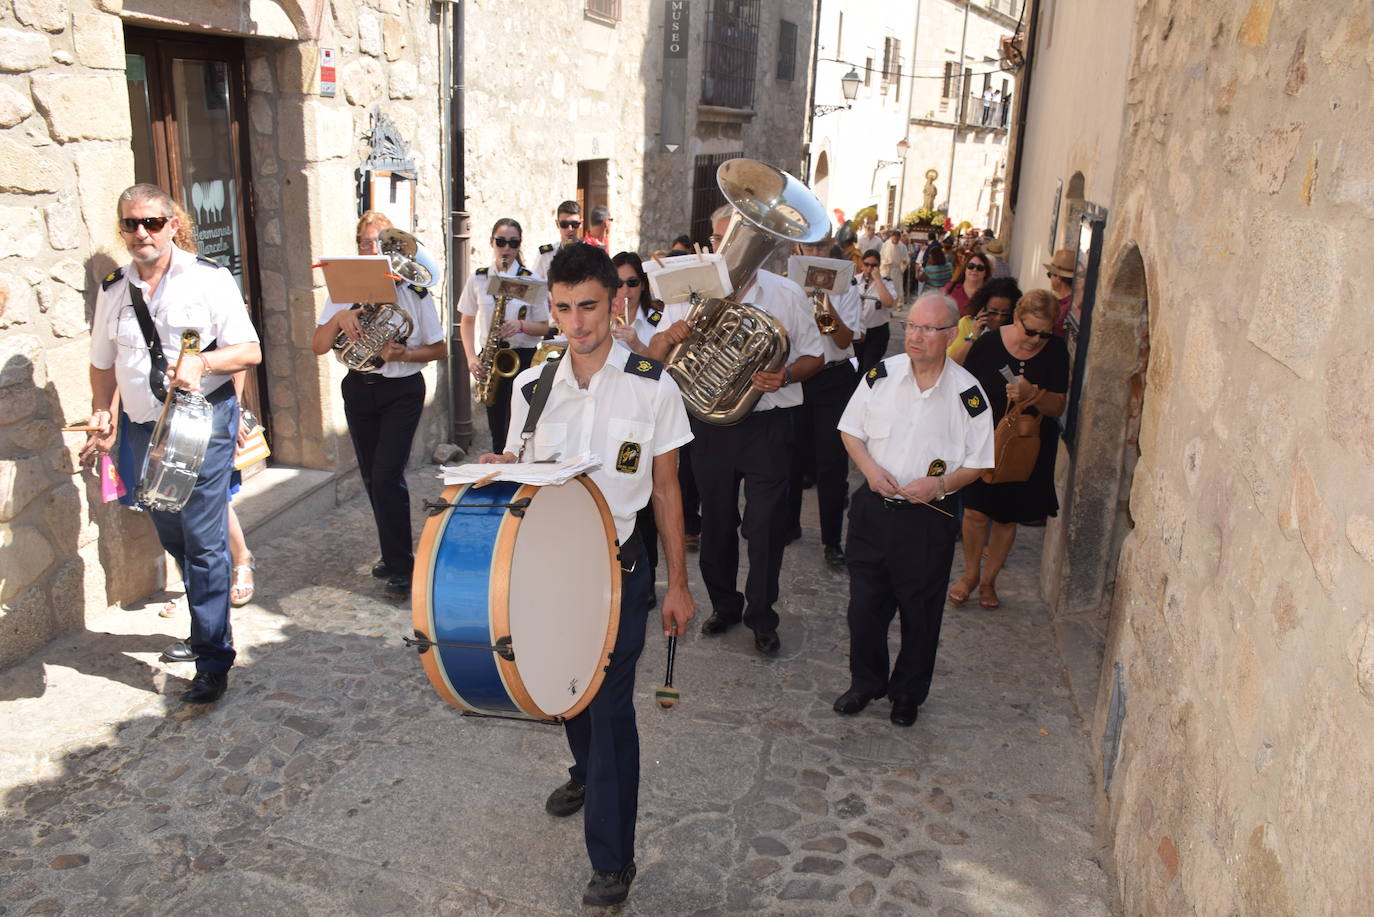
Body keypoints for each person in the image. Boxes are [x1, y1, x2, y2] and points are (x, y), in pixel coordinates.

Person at [479, 243, 693, 908]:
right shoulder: (531, 385)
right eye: (565, 308)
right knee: (565, 696)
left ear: (616, 301)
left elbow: (666, 491)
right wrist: (496, 465)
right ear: (552, 307)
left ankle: (612, 856)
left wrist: (680, 584)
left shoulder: (653, 385)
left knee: (609, 708)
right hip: (548, 572)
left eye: (590, 306)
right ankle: (585, 770)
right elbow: (519, 463)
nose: (577, 322)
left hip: (620, 572)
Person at [82, 183, 261, 704]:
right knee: (170, 528)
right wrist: (102, 410)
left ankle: (213, 658)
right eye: (130, 224)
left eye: (151, 223)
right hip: (142, 429)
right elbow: (101, 363)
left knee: (205, 542)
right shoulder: (113, 289)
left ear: (173, 223)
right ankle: (207, 623)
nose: (141, 233)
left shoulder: (208, 279)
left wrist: (204, 362)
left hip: (203, 425)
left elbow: (247, 349)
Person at [833, 293, 994, 726]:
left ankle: (908, 694)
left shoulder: (968, 395)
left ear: (949, 335)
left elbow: (980, 462)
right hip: (873, 510)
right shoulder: (880, 375)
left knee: (920, 612)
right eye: (912, 327)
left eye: (927, 329)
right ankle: (866, 682)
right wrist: (867, 468)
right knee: (863, 608)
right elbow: (850, 430)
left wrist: (940, 483)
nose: (915, 336)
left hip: (927, 520)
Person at [687, 205, 824, 655]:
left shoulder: (785, 293)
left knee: (765, 527)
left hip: (768, 424)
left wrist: (783, 376)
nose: (729, 248)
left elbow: (815, 356)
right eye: (722, 238)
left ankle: (762, 614)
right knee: (718, 523)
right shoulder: (693, 290)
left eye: (737, 237)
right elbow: (667, 350)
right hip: (711, 425)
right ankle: (725, 606)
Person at [312, 211, 447, 595]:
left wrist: (402, 355)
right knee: (373, 477)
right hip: (358, 388)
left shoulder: (413, 292)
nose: (373, 251)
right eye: (366, 244)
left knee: (387, 474)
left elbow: (438, 348)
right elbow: (318, 346)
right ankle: (392, 554)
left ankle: (403, 567)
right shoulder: (343, 291)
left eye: (381, 244)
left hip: (401, 392)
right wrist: (340, 317)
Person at [948, 289, 1069, 609]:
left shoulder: (1055, 351)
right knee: (974, 512)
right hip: (983, 439)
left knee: (1006, 518)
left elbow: (1057, 406)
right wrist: (973, 426)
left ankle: (990, 581)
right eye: (1030, 331)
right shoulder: (988, 344)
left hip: (1025, 447)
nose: (1035, 340)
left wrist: (1033, 394)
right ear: (1017, 318)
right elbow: (965, 390)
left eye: (1044, 334)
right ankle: (970, 575)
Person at [787, 236, 863, 569]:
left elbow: (845, 339)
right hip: (800, 375)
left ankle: (832, 540)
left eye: (821, 247)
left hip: (833, 377)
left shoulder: (847, 285)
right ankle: (788, 526)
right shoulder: (787, 286)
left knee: (831, 465)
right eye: (809, 248)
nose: (816, 254)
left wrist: (822, 302)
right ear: (799, 250)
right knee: (790, 456)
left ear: (831, 247)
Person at [458, 218, 552, 451]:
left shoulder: (532, 281)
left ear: (519, 245)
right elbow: (467, 321)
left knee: (523, 427)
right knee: (498, 428)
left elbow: (544, 327)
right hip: (492, 356)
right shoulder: (479, 278)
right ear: (492, 242)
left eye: (513, 243)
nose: (507, 248)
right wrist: (471, 358)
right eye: (501, 242)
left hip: (524, 356)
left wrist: (521, 325)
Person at [947, 277, 1021, 365]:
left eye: (1005, 313)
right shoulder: (967, 324)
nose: (998, 318)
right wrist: (973, 337)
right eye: (993, 312)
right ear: (982, 308)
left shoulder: (1016, 329)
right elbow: (952, 363)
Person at [609, 251, 663, 357]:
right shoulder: (600, 320)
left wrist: (637, 345)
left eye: (632, 282)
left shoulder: (660, 322)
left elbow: (664, 369)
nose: (625, 290)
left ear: (642, 285)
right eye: (618, 283)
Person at [853, 249, 897, 377]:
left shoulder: (886, 282)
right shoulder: (854, 281)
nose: (869, 268)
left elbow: (888, 302)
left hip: (877, 331)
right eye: (867, 264)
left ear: (878, 266)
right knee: (856, 368)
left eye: (874, 265)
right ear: (862, 264)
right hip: (858, 331)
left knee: (868, 369)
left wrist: (877, 279)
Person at [534, 200, 583, 279]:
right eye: (564, 224)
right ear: (557, 224)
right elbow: (535, 284)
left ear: (580, 224)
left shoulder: (591, 255)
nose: (570, 229)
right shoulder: (546, 255)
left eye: (574, 224)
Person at [944, 250, 991, 317]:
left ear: (986, 273)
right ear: (965, 269)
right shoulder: (950, 288)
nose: (974, 270)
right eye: (971, 266)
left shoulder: (990, 294)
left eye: (980, 268)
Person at [1044, 248, 1076, 337]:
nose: (1050, 279)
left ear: (1058, 278)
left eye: (1049, 274)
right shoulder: (1074, 301)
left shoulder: (1064, 309)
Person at [880, 229, 910, 305]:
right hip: (887, 269)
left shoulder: (902, 247)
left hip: (897, 270)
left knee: (896, 288)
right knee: (886, 287)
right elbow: (881, 256)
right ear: (891, 237)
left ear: (899, 238)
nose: (895, 241)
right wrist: (884, 262)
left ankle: (897, 304)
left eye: (897, 239)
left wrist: (904, 262)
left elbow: (906, 258)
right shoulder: (885, 244)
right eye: (894, 239)